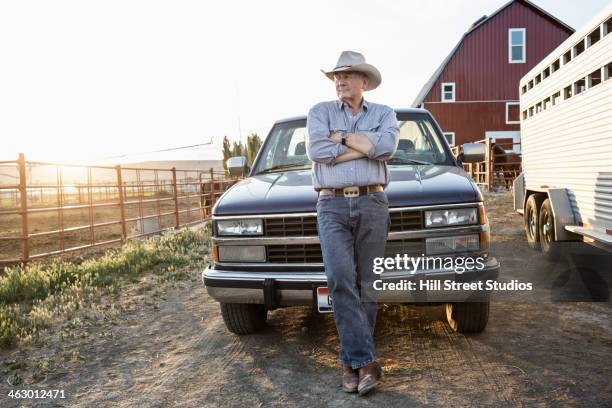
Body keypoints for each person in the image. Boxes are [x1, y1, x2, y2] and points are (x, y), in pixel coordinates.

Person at [306, 50, 399, 396]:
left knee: (368, 284)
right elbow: (317, 150)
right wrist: (366, 146)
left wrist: (341, 139)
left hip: (373, 200)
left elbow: (387, 146)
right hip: (331, 202)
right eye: (335, 76)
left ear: (364, 81)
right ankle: (366, 362)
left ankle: (351, 363)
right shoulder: (320, 112)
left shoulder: (384, 113)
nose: (340, 81)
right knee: (340, 279)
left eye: (347, 75)